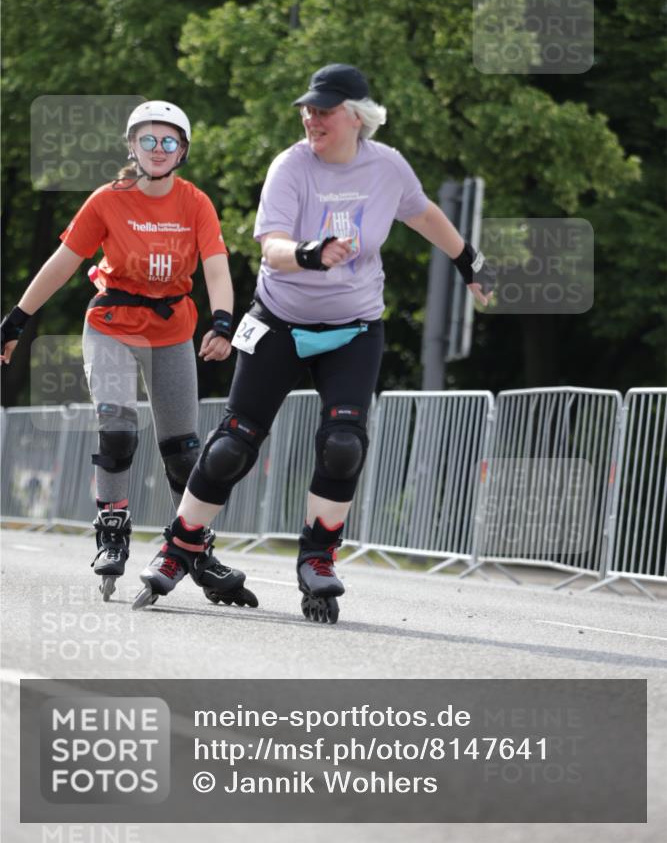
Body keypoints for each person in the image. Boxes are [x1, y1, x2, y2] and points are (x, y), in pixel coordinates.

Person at [133, 65, 495, 622]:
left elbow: (422, 213)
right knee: (234, 445)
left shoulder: (387, 166)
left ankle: (319, 557)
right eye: (307, 108)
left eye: (324, 110)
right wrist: (310, 252)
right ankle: (181, 544)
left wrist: (469, 261)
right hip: (278, 321)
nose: (311, 118)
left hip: (354, 328)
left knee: (343, 443)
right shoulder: (291, 165)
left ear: (357, 116)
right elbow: (271, 247)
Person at [1, 100, 257, 608]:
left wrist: (224, 322)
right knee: (117, 427)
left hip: (171, 328)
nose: (157, 150)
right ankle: (113, 529)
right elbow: (63, 263)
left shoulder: (195, 203)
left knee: (184, 453)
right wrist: (17, 319)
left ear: (181, 151)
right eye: (148, 140)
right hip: (112, 325)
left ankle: (196, 549)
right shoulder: (106, 200)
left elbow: (216, 268)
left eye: (168, 142)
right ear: (132, 146)